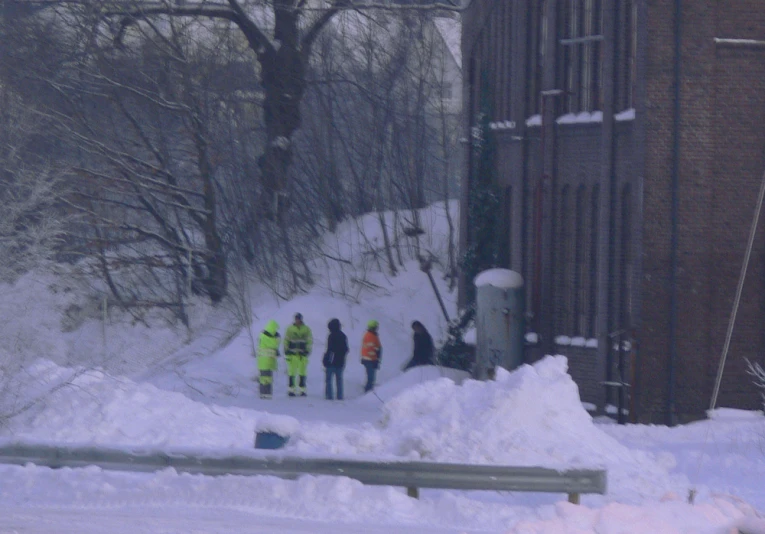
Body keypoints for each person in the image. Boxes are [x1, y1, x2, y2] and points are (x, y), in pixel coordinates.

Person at [284, 312, 313, 397]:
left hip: (302, 355)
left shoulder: (306, 329)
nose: (297, 321)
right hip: (292, 354)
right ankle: (291, 390)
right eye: (296, 319)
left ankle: (302, 390)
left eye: (299, 319)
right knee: (292, 373)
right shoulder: (290, 329)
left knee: (302, 373)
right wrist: (286, 350)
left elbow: (309, 341)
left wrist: (307, 351)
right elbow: (286, 340)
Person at [322, 318, 348, 400]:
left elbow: (329, 349)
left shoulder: (331, 336)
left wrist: (326, 359)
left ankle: (329, 396)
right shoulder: (343, 336)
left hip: (331, 362)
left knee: (329, 380)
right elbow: (346, 349)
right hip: (340, 362)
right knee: (339, 380)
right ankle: (340, 396)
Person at [256, 319, 281, 399]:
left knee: (265, 379)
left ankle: (264, 395)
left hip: (264, 362)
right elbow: (274, 344)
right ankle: (266, 395)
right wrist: (278, 337)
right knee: (266, 379)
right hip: (266, 362)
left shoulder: (263, 334)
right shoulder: (266, 336)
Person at [360, 319, 382, 393]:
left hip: (369, 359)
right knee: (371, 378)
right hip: (370, 360)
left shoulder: (371, 335)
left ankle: (368, 391)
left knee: (371, 377)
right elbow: (372, 349)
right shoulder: (371, 336)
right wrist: (376, 360)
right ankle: (368, 392)